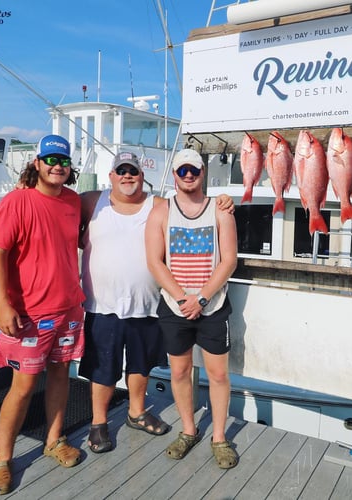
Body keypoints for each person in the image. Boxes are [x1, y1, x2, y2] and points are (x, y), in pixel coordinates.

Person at [78, 151, 235, 453]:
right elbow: (60, 209)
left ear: (142, 176)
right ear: (111, 176)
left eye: (133, 171)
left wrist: (225, 199)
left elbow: (194, 203)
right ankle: (99, 424)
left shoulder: (157, 204)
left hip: (147, 303)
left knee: (140, 364)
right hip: (102, 304)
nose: (127, 176)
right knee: (103, 367)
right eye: (121, 170)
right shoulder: (90, 201)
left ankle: (137, 412)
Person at [0, 134, 86, 495]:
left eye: (63, 162)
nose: (57, 167)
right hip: (28, 314)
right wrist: (2, 304)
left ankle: (54, 439)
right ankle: (2, 461)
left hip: (69, 310)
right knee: (23, 387)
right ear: (37, 164)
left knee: (61, 375)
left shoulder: (74, 202)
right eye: (51, 161)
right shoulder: (17, 201)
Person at [145, 148, 239, 469]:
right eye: (182, 170)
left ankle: (220, 437)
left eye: (194, 171)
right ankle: (189, 429)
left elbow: (229, 260)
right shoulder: (161, 212)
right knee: (180, 371)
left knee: (218, 374)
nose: (188, 175)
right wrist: (182, 297)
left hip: (212, 307)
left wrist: (201, 298)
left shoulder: (220, 209)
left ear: (202, 174)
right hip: (175, 307)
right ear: (174, 174)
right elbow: (155, 262)